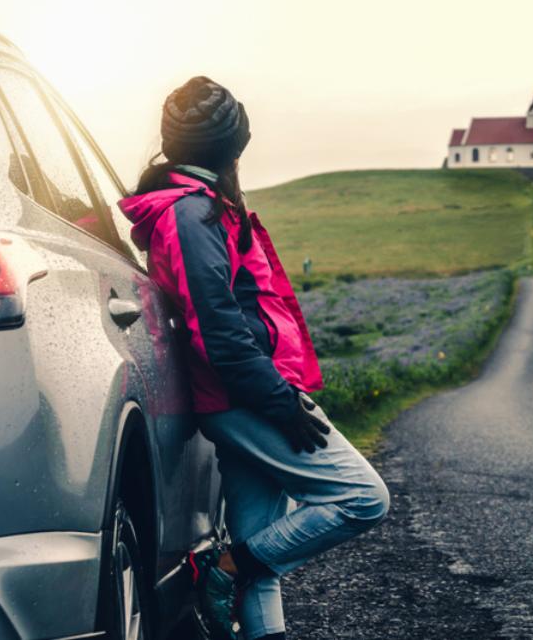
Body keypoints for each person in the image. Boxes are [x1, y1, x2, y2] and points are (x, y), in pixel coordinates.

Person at [119, 76, 390, 640]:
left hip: (247, 393)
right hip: (245, 398)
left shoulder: (202, 207)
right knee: (363, 499)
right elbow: (217, 330)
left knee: (258, 559)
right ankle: (213, 569)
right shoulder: (192, 217)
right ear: (233, 145)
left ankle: (237, 581)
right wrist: (279, 401)